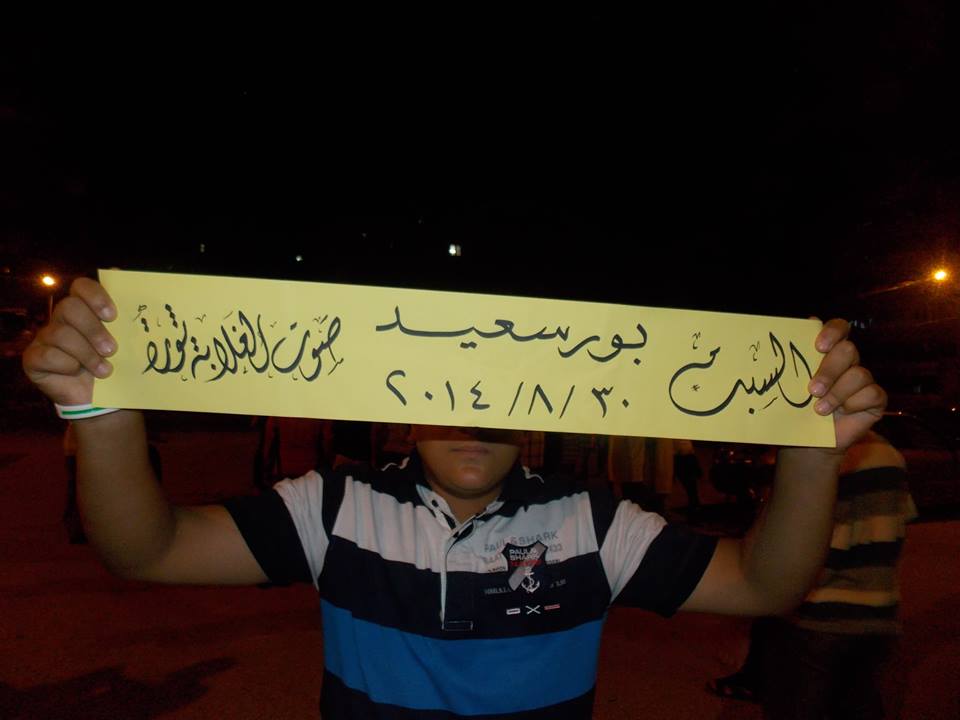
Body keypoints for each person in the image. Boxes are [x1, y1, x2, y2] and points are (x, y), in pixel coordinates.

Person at [23, 278, 887, 720]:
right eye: (449, 383)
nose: (473, 412)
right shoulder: (334, 506)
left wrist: (814, 453)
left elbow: (766, 586)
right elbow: (147, 550)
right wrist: (99, 410)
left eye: (498, 388)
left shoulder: (592, 522)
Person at [710, 430, 915, 718]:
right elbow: (899, 526)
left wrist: (751, 625)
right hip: (878, 615)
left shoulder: (813, 457)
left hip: (816, 617)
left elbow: (786, 550)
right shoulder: (888, 453)